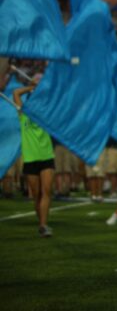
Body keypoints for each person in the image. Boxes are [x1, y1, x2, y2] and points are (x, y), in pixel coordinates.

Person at [13, 82, 55, 237]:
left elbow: (54, 95)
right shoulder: (22, 113)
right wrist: (30, 88)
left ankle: (43, 225)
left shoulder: (46, 114)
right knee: (36, 195)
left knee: (46, 191)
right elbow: (16, 93)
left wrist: (42, 88)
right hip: (30, 159)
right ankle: (41, 223)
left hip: (47, 157)